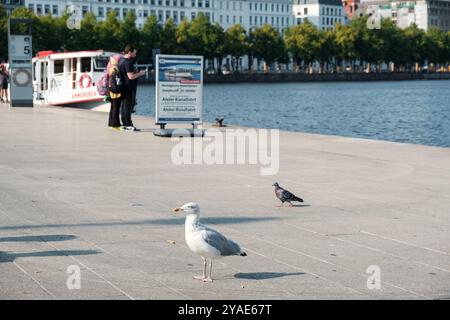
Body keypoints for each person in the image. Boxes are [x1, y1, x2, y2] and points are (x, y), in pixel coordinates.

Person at [119, 45, 146, 131]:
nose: (135, 54)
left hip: (123, 87)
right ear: (130, 52)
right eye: (134, 53)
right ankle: (128, 124)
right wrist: (140, 73)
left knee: (124, 106)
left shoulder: (122, 60)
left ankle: (125, 123)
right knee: (128, 106)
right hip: (128, 87)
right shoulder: (128, 62)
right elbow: (130, 76)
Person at [107, 55, 122, 130]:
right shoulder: (115, 68)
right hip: (115, 92)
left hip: (111, 91)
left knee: (113, 108)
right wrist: (118, 90)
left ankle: (111, 123)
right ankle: (116, 125)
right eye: (119, 60)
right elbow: (115, 81)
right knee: (116, 108)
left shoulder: (110, 67)